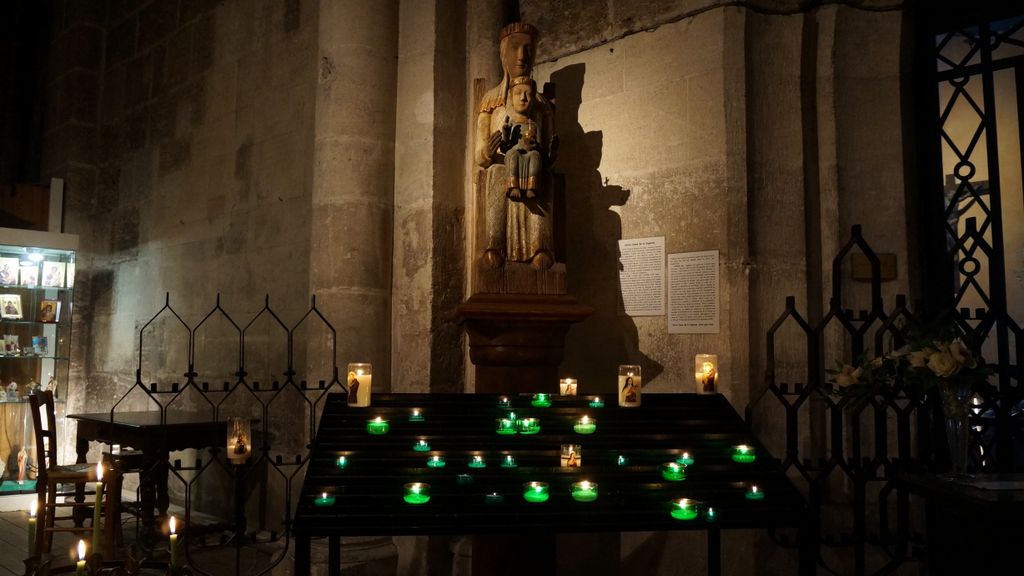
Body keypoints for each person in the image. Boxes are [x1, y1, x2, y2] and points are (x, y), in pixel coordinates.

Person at [474, 22, 558, 271]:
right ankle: (494, 246)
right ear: (503, 53)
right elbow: (480, 157)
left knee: (545, 174)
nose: (522, 56)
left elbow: (549, 146)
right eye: (515, 48)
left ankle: (540, 247)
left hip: (533, 163)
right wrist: (488, 150)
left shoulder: (542, 105)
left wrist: (551, 153)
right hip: (504, 167)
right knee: (497, 172)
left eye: (528, 49)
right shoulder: (491, 100)